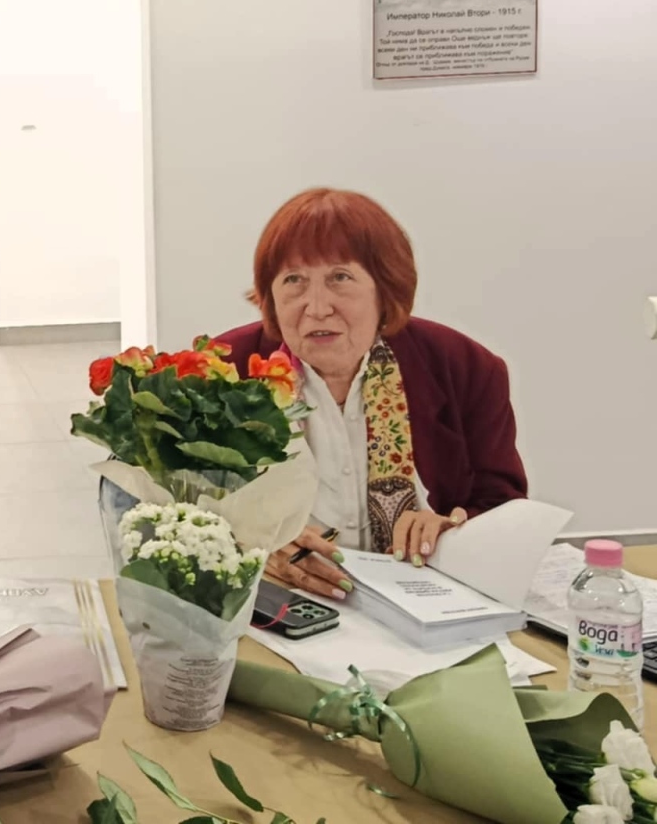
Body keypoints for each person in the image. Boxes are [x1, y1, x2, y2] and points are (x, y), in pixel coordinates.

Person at [218, 188, 526, 603]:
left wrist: (454, 531)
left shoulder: (465, 367)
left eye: (339, 278)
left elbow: (504, 511)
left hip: (422, 600)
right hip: (276, 603)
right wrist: (253, 545)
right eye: (294, 280)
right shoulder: (223, 371)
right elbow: (177, 512)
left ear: (385, 288)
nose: (317, 307)